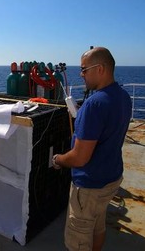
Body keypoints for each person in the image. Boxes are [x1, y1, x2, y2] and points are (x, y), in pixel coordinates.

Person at [51, 47, 132, 251]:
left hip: (90, 187)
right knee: (97, 226)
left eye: (84, 69)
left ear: (101, 69)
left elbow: (79, 158)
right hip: (111, 178)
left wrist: (59, 160)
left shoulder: (94, 105)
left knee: (77, 239)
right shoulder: (123, 97)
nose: (81, 74)